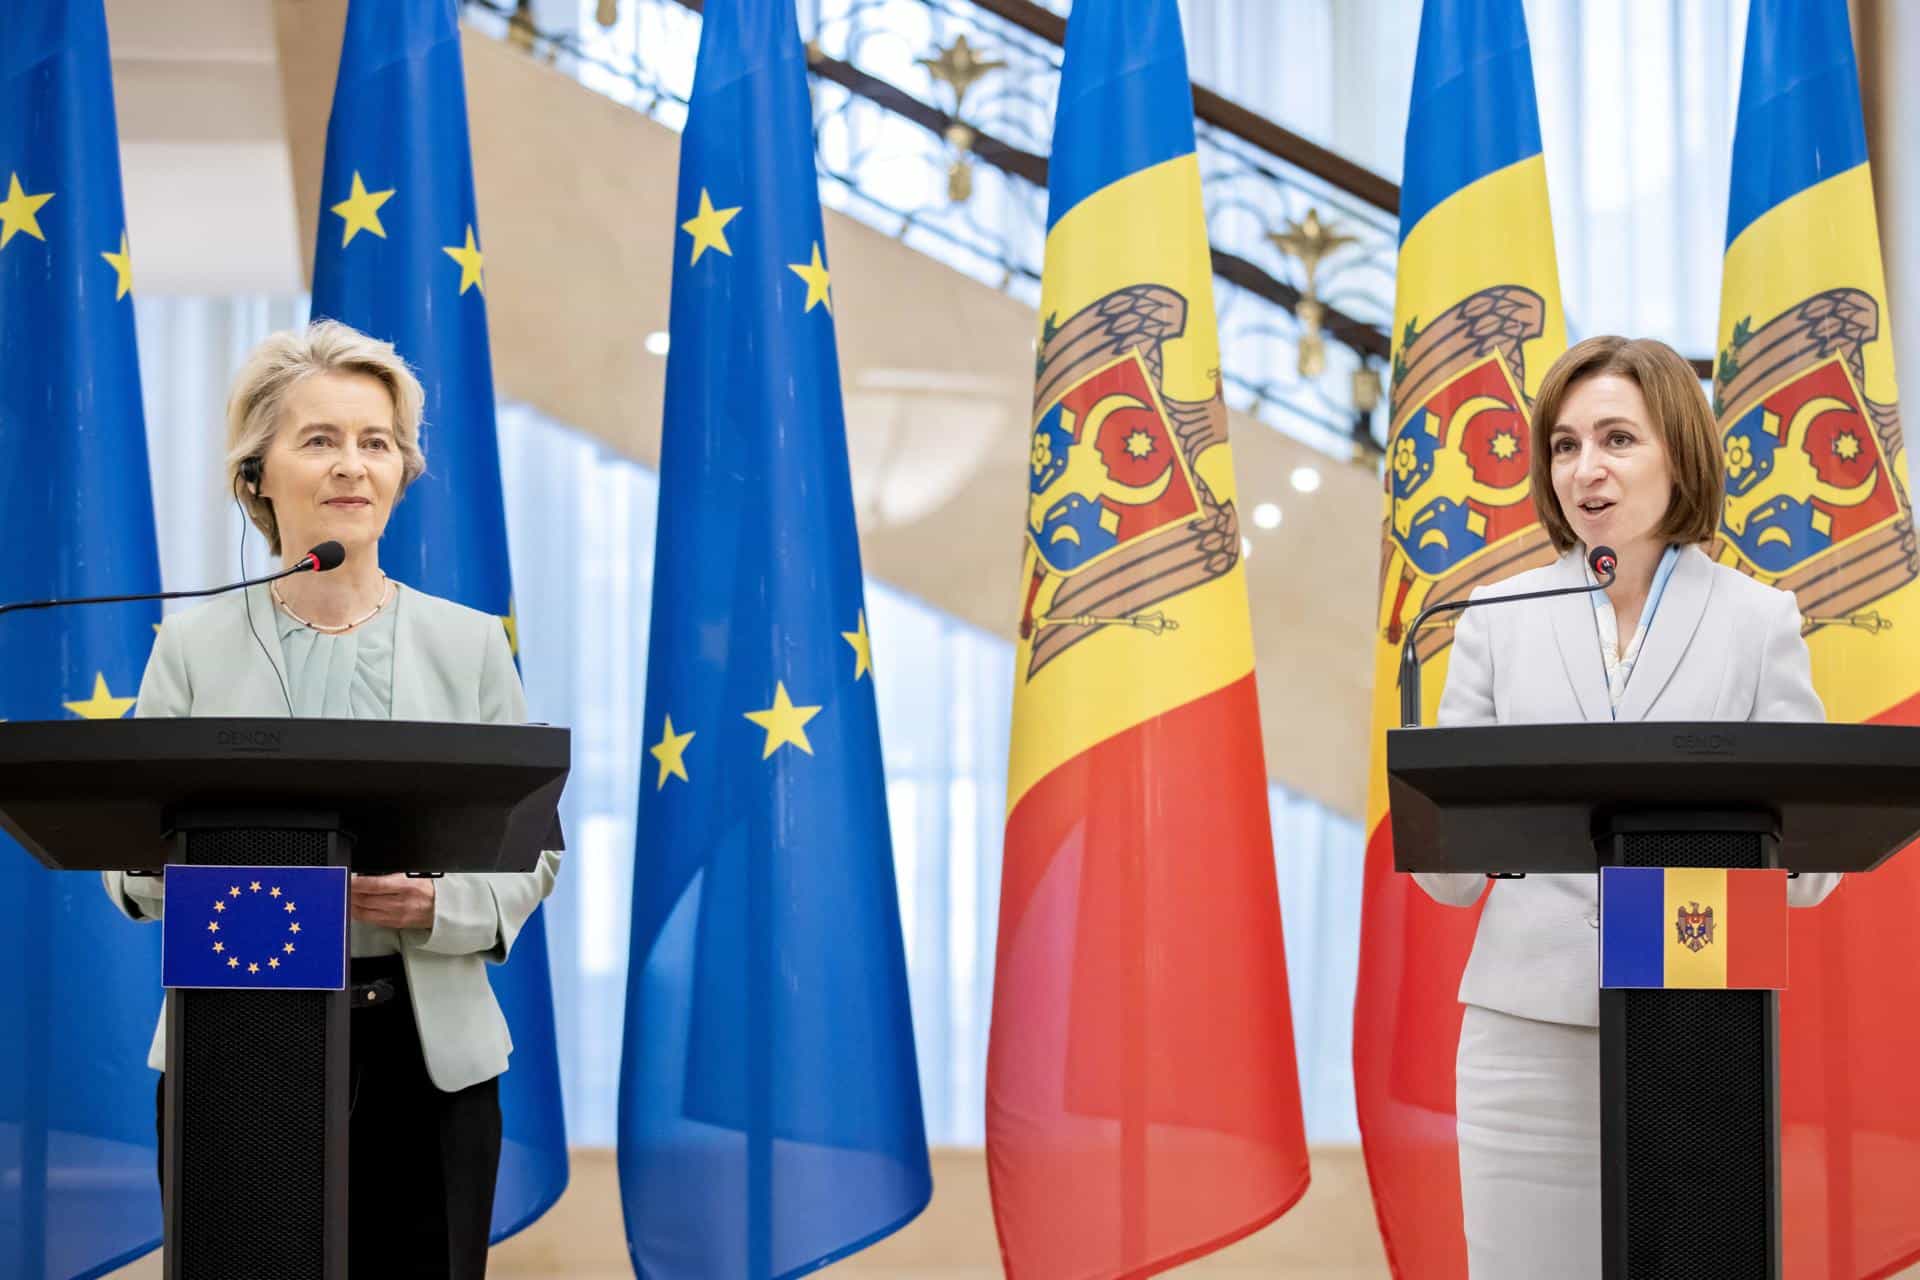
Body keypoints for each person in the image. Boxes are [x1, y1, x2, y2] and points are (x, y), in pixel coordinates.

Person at [100, 320, 560, 1279]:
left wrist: (439, 905)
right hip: (236, 1039)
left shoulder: (470, 645)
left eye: (376, 442)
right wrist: (160, 867)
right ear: (257, 475)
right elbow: (126, 857)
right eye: (320, 439)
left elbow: (532, 848)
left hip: (426, 1055)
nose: (353, 465)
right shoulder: (190, 647)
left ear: (401, 475)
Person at [1410, 335, 1840, 1279]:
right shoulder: (1494, 616)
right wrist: (1428, 804)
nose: (1584, 469)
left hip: (1698, 1022)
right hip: (1526, 1031)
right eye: (1563, 445)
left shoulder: (1756, 620)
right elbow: (1448, 881)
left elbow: (1807, 868)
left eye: (1616, 439)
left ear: (1679, 454)